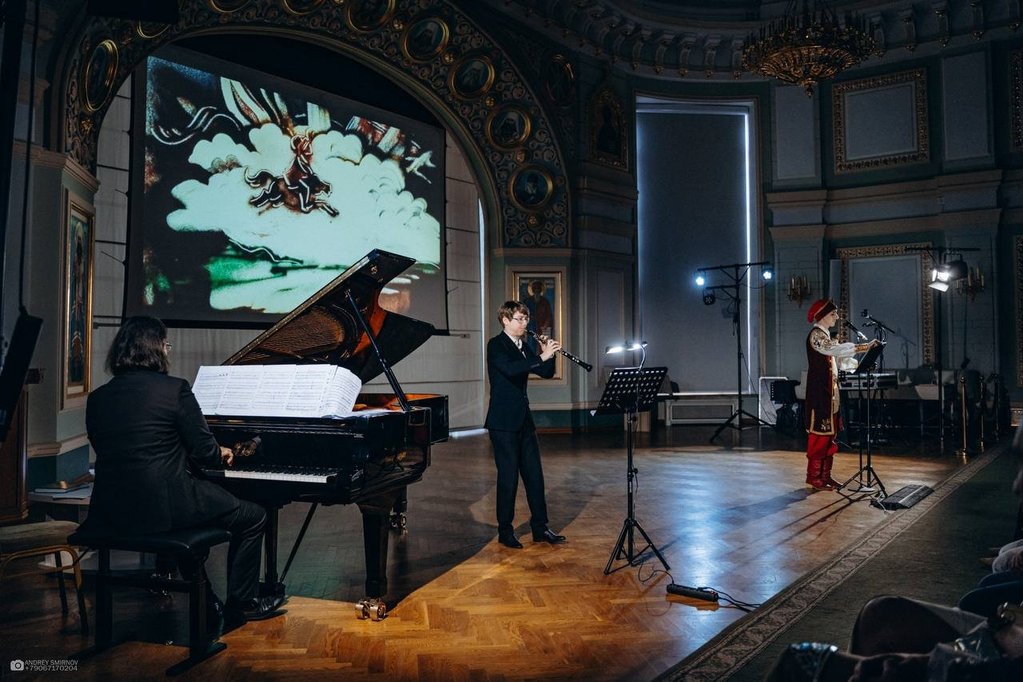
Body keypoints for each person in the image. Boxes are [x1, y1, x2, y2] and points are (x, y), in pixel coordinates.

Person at [83, 316, 284, 632]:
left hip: (111, 510)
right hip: (163, 508)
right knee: (254, 516)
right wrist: (222, 451)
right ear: (155, 348)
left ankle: (207, 600)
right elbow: (205, 453)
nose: (168, 350)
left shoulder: (97, 398)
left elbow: (115, 450)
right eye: (166, 344)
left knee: (194, 512)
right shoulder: (174, 390)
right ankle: (242, 604)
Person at [485, 301, 567, 548]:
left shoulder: (525, 345)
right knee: (508, 478)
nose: (524, 323)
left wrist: (548, 353)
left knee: (535, 477)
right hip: (502, 422)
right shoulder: (496, 345)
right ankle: (505, 531)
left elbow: (545, 372)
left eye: (526, 319)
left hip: (524, 421)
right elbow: (511, 370)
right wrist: (540, 356)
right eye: (519, 319)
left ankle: (540, 528)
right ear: (505, 320)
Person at [804, 298, 878, 491]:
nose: (836, 317)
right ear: (823, 316)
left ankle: (825, 476)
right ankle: (814, 477)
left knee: (830, 436)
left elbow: (838, 360)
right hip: (820, 394)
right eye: (833, 314)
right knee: (820, 436)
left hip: (831, 393)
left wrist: (862, 364)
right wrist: (863, 347)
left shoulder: (826, 336)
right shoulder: (816, 335)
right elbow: (833, 349)